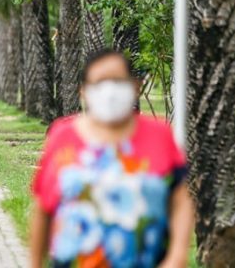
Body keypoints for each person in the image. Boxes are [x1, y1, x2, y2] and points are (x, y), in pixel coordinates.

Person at [30, 50, 194, 268]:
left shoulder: (160, 135)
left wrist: (177, 255)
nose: (109, 91)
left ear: (135, 86)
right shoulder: (63, 136)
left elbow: (181, 197)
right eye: (99, 83)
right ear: (84, 91)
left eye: (117, 81)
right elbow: (44, 208)